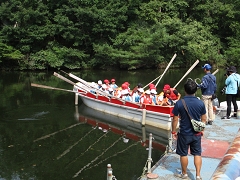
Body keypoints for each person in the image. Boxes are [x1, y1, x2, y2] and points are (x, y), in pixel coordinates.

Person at [172, 79, 206, 180]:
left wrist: (173, 131)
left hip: (184, 134)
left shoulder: (179, 103)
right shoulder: (200, 103)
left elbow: (175, 119)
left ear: (185, 90)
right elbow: (204, 119)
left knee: (183, 154)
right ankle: (198, 175)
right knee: (197, 154)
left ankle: (184, 174)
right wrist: (201, 129)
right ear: (195, 90)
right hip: (196, 134)